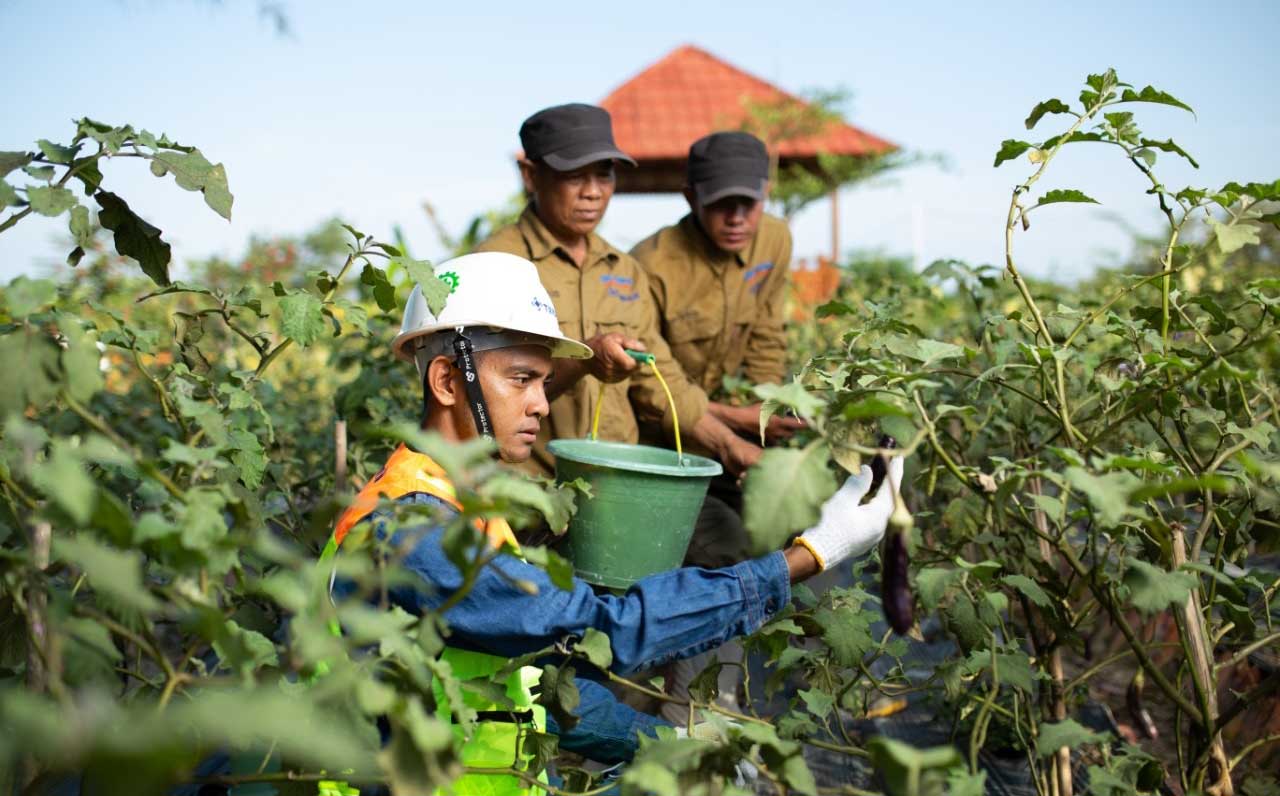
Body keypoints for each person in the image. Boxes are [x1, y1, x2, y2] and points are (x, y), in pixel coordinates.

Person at [323, 251, 904, 793]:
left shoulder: (460, 508)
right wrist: (813, 553)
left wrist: (668, 742)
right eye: (521, 379)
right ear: (448, 381)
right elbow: (603, 630)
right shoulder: (411, 530)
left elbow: (539, 685)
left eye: (543, 383)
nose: (542, 405)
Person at [473, 103, 761, 481]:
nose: (593, 193)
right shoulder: (496, 265)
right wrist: (583, 360)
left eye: (604, 175)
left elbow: (659, 380)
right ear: (531, 176)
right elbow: (479, 398)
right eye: (574, 176)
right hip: (532, 491)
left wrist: (730, 446)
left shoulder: (624, 270)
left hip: (618, 482)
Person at [630, 131, 802, 720]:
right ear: (689, 198)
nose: (735, 218)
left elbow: (766, 340)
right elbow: (655, 388)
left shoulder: (775, 240)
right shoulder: (649, 266)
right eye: (719, 204)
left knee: (791, 528)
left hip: (730, 439)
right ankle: (690, 711)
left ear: (765, 195)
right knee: (722, 556)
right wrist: (733, 438)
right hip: (666, 449)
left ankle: (726, 696)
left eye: (747, 204)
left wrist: (767, 417)